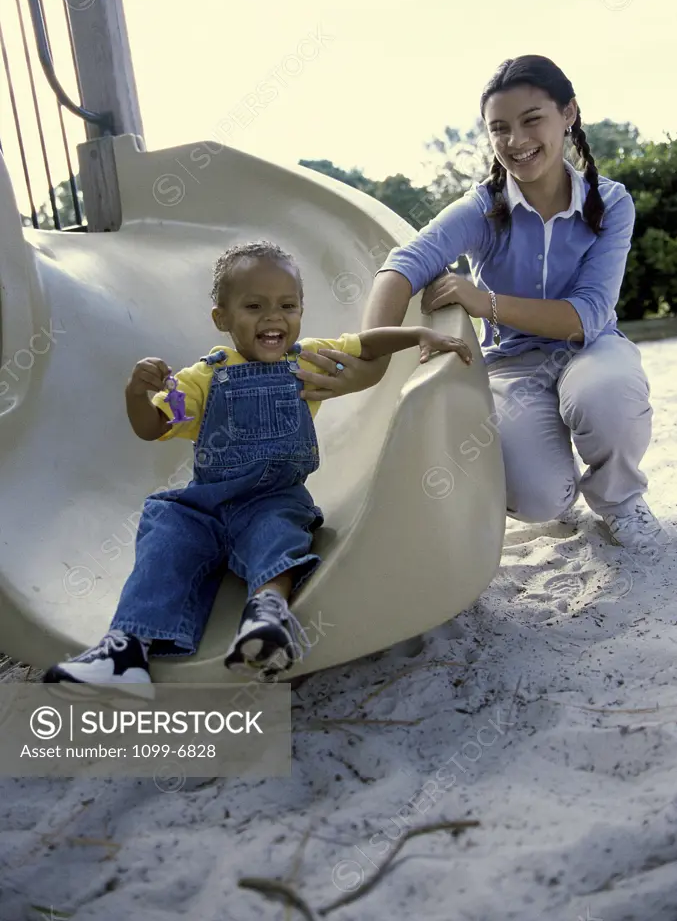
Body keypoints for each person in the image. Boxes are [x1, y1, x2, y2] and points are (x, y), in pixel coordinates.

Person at [43, 241, 471, 693]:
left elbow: (366, 345)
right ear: (222, 318)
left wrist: (418, 336)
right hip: (205, 505)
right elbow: (152, 428)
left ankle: (265, 620)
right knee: (165, 528)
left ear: (302, 312)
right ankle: (126, 651)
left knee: (278, 531)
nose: (273, 317)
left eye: (288, 305)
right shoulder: (202, 378)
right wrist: (136, 394)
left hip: (272, 497)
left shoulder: (307, 359)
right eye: (254, 306)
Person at [294, 55, 666, 554]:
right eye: (500, 128)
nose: (516, 140)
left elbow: (586, 316)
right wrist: (371, 359)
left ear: (569, 113)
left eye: (532, 119)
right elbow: (401, 266)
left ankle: (620, 502)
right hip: (512, 364)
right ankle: (562, 490)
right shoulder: (482, 208)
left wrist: (483, 301)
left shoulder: (611, 203)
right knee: (540, 498)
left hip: (592, 350)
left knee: (607, 392)